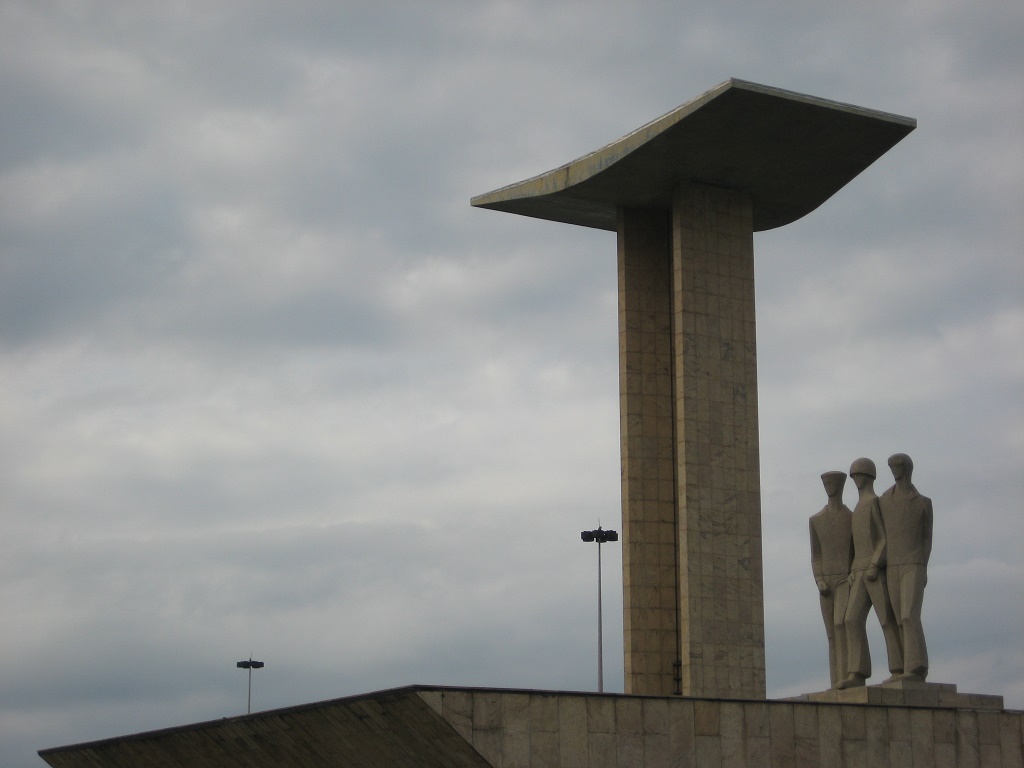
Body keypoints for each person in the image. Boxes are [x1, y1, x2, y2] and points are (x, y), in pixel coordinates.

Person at [836, 458, 903, 689]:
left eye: (859, 475)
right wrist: (854, 569)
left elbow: (885, 538)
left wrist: (875, 564)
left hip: (874, 570)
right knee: (851, 619)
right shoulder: (857, 508)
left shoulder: (875, 502)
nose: (856, 479)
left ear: (869, 476)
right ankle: (857, 672)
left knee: (887, 619)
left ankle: (899, 668)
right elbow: (855, 545)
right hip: (859, 571)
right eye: (853, 475)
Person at [879, 453, 932, 682]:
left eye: (897, 466)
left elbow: (927, 539)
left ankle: (917, 666)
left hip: (914, 563)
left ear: (907, 468)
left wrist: (924, 565)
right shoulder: (883, 500)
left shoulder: (922, 502)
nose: (893, 470)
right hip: (892, 564)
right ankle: (900, 668)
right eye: (891, 466)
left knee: (910, 614)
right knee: (898, 616)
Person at [809, 471, 854, 688]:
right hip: (825, 583)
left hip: (845, 579)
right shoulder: (816, 520)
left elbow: (858, 549)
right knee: (831, 634)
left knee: (841, 625)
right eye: (826, 484)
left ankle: (848, 675)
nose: (829, 487)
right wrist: (819, 579)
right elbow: (816, 555)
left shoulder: (851, 517)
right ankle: (836, 679)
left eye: (832, 484)